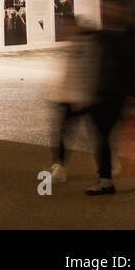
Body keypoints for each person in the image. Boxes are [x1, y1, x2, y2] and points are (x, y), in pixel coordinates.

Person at [85, 0, 135, 195]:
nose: (106, 10)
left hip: (116, 95)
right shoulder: (101, 34)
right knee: (101, 136)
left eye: (109, 6)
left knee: (105, 136)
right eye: (103, 6)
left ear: (118, 8)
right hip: (100, 93)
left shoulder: (129, 35)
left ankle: (106, 176)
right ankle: (105, 176)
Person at [47, 12, 96, 186]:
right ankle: (59, 166)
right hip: (68, 97)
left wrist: (80, 97)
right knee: (62, 133)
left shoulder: (84, 46)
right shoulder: (74, 44)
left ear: (74, 26)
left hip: (79, 99)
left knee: (91, 134)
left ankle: (60, 167)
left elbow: (84, 74)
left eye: (65, 25)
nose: (62, 29)